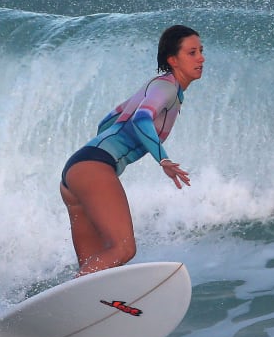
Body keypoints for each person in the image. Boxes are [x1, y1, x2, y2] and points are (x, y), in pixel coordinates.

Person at [60, 25, 204, 275]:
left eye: (201, 51)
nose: (201, 58)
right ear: (173, 60)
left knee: (93, 272)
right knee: (124, 248)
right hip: (94, 166)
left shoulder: (156, 87)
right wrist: (163, 160)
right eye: (192, 53)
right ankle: (71, 294)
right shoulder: (167, 88)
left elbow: (106, 122)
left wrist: (101, 156)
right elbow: (141, 118)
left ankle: (79, 298)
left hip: (78, 170)